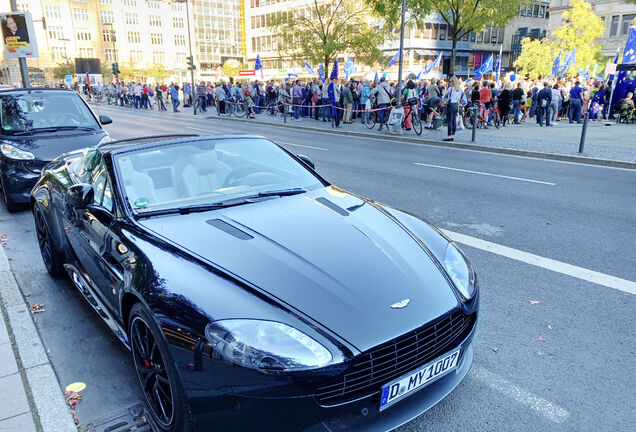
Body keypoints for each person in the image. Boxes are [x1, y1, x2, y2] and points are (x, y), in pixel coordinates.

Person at [442, 76, 466, 141]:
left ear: (453, 82)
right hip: (456, 105)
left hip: (451, 104)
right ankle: (453, 135)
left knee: (449, 121)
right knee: (454, 121)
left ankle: (449, 136)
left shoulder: (451, 89)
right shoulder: (460, 89)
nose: (450, 82)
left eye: (451, 81)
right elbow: (462, 98)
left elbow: (445, 95)